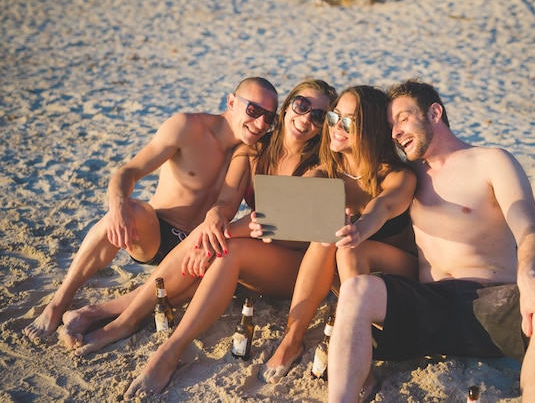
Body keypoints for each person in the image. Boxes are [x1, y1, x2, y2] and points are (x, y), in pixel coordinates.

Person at [56, 79, 337, 398]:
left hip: (295, 266)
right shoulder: (253, 149)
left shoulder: (319, 165)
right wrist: (215, 219)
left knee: (222, 246)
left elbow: (279, 218)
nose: (306, 119)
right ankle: (108, 315)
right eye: (302, 106)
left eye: (318, 116)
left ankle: (167, 350)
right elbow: (226, 203)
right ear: (287, 106)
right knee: (217, 243)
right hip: (254, 248)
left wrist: (215, 233)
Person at [327, 79, 535, 403]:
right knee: (356, 290)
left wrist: (528, 278)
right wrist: (361, 226)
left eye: (403, 118)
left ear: (434, 112)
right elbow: (385, 204)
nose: (396, 133)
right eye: (390, 126)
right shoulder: (411, 174)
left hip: (495, 299)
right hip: (431, 302)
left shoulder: (491, 161)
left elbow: (529, 228)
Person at [22, 77, 279, 340]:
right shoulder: (187, 127)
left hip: (197, 248)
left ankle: (93, 313)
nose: (260, 123)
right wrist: (118, 205)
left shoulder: (254, 152)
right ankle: (58, 303)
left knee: (218, 274)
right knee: (132, 211)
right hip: (155, 233)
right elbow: (129, 171)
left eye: (269, 118)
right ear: (231, 102)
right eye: (253, 111)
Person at [260, 85, 419, 384]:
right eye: (335, 117)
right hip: (349, 282)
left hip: (400, 281)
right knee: (326, 238)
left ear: (371, 130)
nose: (335, 126)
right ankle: (292, 340)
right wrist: (268, 223)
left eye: (348, 121)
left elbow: (381, 208)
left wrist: (359, 229)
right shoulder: (326, 171)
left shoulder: (397, 176)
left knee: (348, 246)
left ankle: (362, 359)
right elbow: (294, 204)